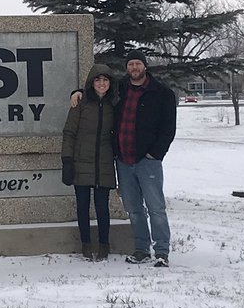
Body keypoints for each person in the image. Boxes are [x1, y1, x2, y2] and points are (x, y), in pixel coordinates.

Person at [72, 49, 177, 266]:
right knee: (134, 208)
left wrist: (155, 154)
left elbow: (168, 129)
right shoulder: (120, 89)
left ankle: (161, 251)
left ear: (145, 66)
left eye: (138, 64)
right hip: (124, 161)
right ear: (127, 68)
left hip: (148, 162)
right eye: (131, 64)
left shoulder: (162, 93)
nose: (134, 68)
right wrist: (76, 92)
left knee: (155, 208)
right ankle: (141, 249)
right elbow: (97, 90)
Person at [61, 64, 118, 261]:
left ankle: (104, 244)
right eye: (97, 80)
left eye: (105, 80)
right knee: (83, 205)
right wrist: (67, 160)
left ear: (110, 83)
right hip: (81, 160)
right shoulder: (81, 103)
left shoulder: (115, 103)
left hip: (103, 161)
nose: (101, 84)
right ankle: (86, 243)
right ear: (91, 83)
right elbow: (69, 132)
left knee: (102, 206)